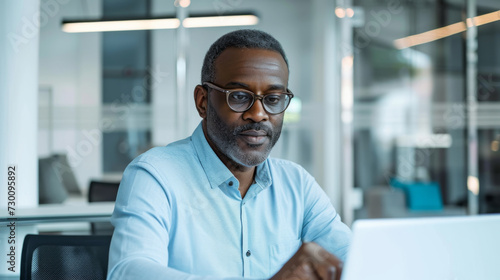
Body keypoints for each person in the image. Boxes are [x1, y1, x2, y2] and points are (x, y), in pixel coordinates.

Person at [107, 29, 352, 280]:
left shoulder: (296, 184)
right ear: (203, 101)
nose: (258, 114)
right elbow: (128, 272)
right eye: (239, 97)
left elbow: (356, 260)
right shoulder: (155, 175)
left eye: (274, 98)